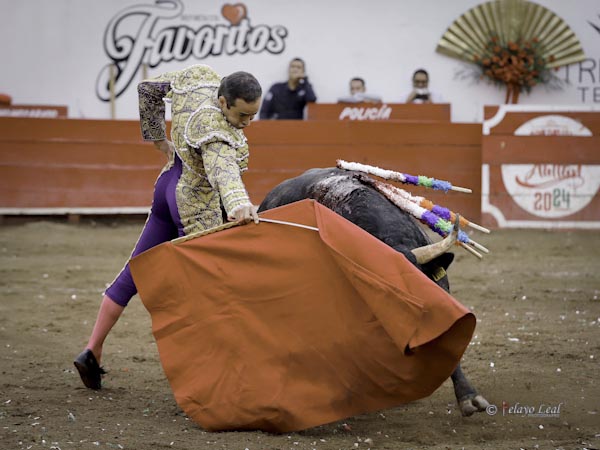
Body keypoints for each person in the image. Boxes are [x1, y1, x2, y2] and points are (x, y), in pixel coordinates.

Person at [73, 64, 262, 390]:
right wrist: (238, 204)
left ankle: (92, 349)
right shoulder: (215, 128)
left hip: (167, 185)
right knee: (213, 289)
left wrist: (158, 140)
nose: (246, 123)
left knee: (132, 271)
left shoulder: (198, 76)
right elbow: (223, 169)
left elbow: (148, 89)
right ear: (223, 102)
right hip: (193, 203)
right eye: (242, 115)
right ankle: (211, 374)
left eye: (253, 116)